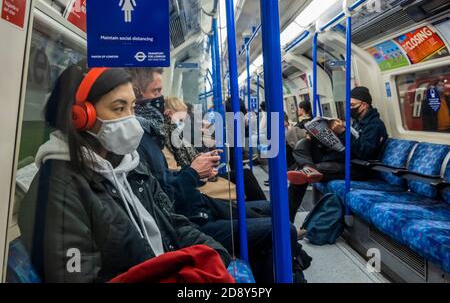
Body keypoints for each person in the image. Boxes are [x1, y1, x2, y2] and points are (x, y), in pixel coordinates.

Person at [18, 62, 230, 283]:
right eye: (119, 108)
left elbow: (171, 223)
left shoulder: (130, 165)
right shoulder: (58, 191)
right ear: (79, 116)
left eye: (132, 108)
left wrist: (214, 254)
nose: (131, 120)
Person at [129, 68, 310, 283]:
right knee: (279, 225)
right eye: (156, 91)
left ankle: (293, 259)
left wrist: (202, 147)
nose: (160, 100)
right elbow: (168, 196)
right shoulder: (143, 143)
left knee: (267, 205)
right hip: (196, 215)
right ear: (137, 94)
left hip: (201, 206)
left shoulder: (158, 136)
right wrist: (195, 171)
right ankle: (295, 256)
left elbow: (176, 175)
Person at [287, 87, 388, 222]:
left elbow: (364, 152)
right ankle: (307, 166)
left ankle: (286, 221)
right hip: (343, 158)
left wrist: (342, 133)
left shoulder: (375, 126)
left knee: (304, 175)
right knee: (304, 144)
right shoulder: (357, 122)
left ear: (364, 105)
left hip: (358, 167)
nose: (349, 108)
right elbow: (346, 145)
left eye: (352, 105)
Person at [163, 97, 267, 202]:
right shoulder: (170, 136)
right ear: (169, 114)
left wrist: (205, 160)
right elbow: (181, 169)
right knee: (245, 176)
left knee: (245, 174)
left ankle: (258, 210)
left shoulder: (175, 133)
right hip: (197, 181)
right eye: (181, 120)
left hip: (199, 175)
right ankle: (261, 211)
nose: (184, 122)